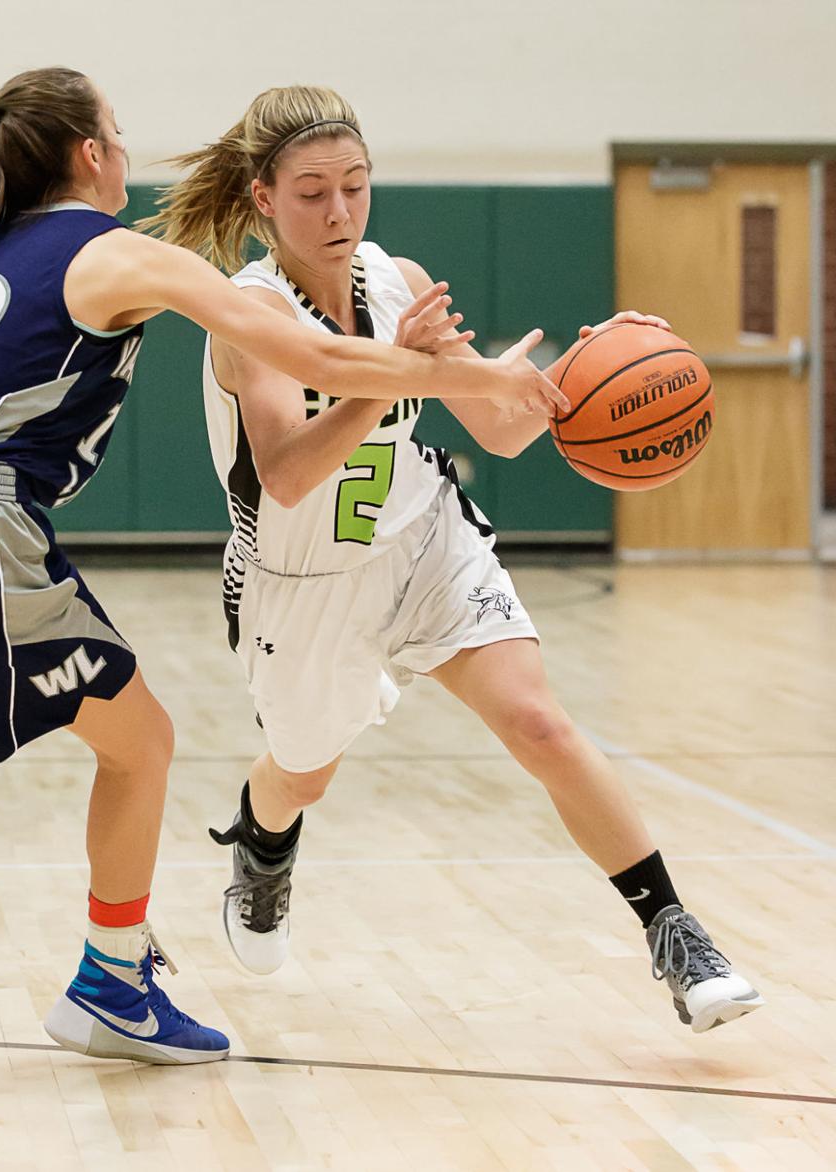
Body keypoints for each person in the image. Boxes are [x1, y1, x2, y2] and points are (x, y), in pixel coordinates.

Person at [0, 69, 565, 1067]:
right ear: (91, 153)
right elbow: (320, 359)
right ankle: (112, 984)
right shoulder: (119, 253)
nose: (128, 148)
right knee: (143, 743)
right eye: (118, 132)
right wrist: (478, 376)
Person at [143, 84, 763, 1034]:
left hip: (424, 538)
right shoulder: (248, 316)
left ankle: (674, 931)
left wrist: (572, 384)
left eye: (356, 185)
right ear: (264, 198)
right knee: (302, 774)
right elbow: (288, 478)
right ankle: (262, 843)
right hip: (303, 582)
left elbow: (500, 433)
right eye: (313, 192)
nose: (340, 211)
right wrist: (399, 372)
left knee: (538, 722)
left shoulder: (399, 279)